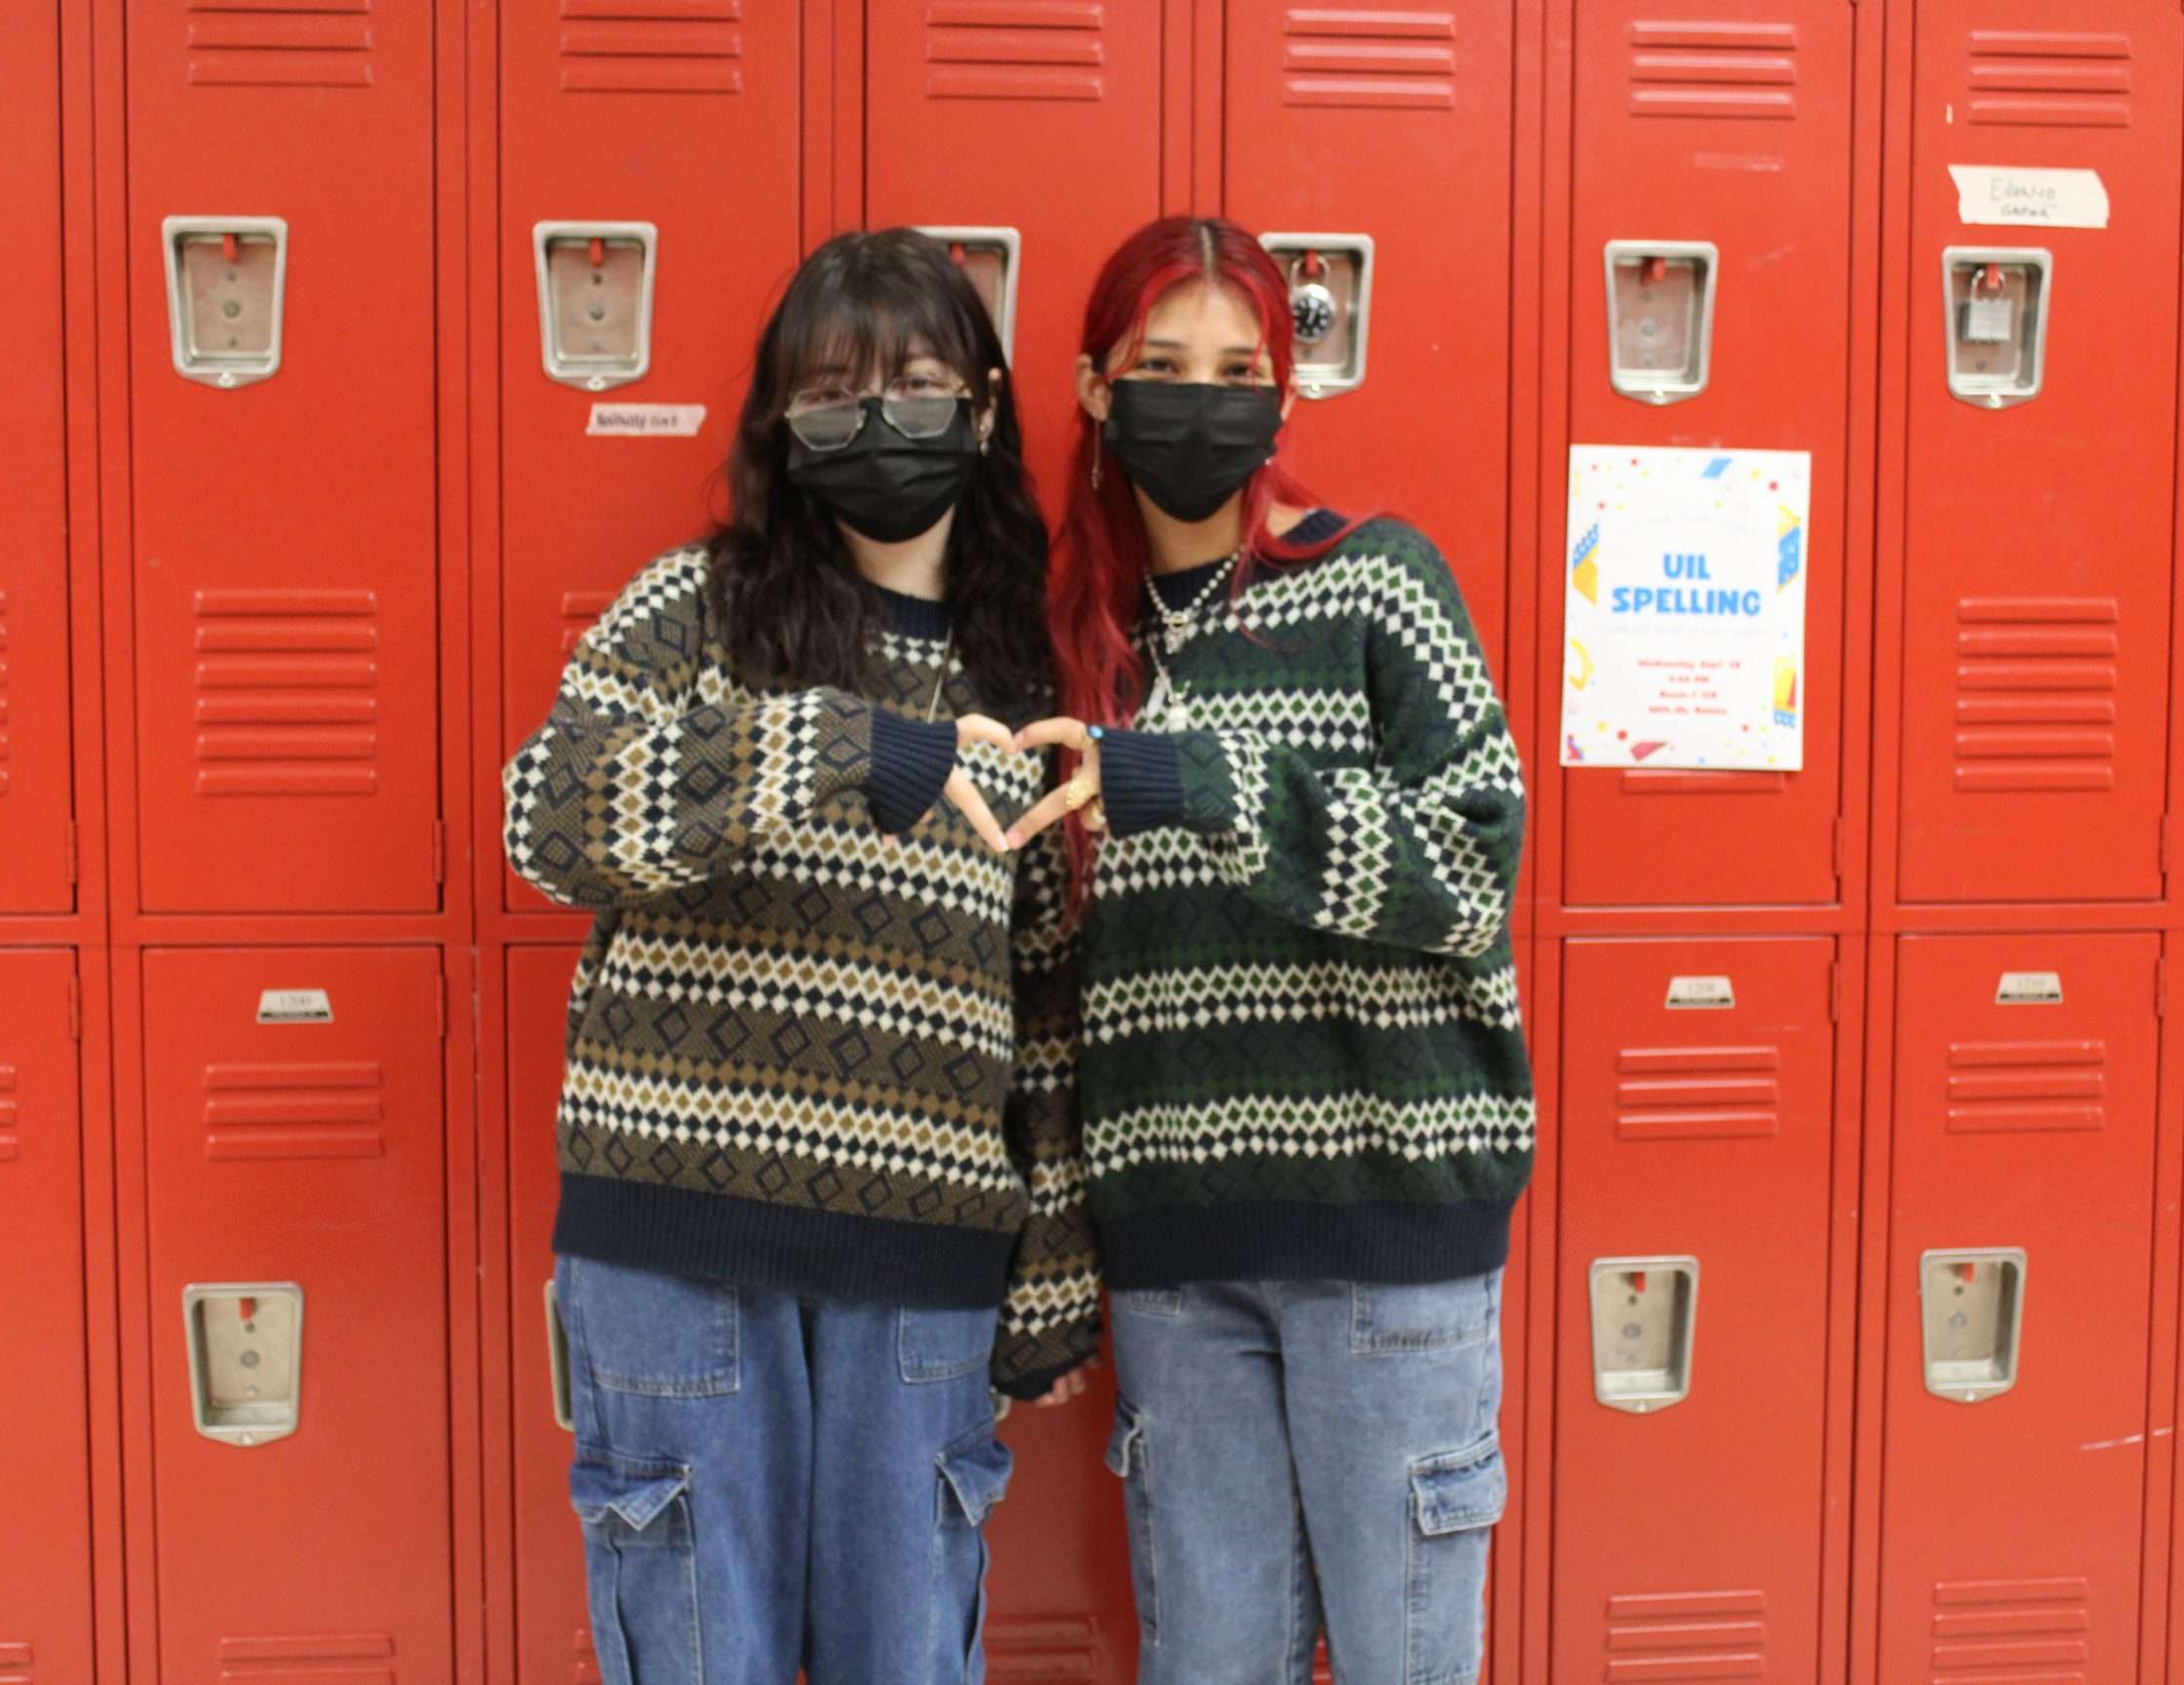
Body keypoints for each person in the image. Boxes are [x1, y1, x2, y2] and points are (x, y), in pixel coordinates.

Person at [503, 227, 1100, 1685]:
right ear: (780, 424)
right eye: (833, 393)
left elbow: (1048, 999)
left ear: (981, 399)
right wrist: (839, 744)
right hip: (680, 1243)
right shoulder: (694, 612)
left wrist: (1055, 1266)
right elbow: (549, 818)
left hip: (924, 1267)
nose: (876, 421)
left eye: (914, 381)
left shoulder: (1025, 661)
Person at [1006, 215, 1535, 1685]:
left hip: (1386, 1235)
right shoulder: (1064, 640)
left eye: (1238, 369)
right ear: (1096, 388)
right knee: (1209, 1664)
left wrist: (1198, 781)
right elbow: (1043, 983)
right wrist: (1055, 1248)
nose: (1202, 398)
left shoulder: (1374, 582)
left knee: (1402, 1665)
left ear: (1281, 398)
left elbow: (1471, 870)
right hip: (1177, 1262)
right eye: (1160, 366)